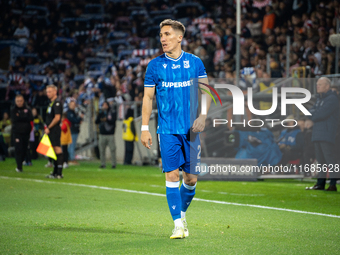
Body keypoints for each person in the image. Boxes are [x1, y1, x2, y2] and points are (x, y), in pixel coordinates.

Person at [141, 19, 211, 239]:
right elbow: (148, 97)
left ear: (180, 37)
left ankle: (181, 214)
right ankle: (178, 225)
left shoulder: (195, 62)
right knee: (172, 174)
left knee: (190, 179)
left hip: (191, 130)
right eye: (161, 34)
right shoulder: (154, 66)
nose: (163, 38)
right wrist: (144, 127)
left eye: (167, 34)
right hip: (167, 129)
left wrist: (204, 115)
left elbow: (206, 91)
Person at [306, 77, 339, 191]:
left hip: (327, 132)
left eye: (320, 84)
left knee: (329, 159)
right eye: (317, 84)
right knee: (320, 160)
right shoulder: (320, 99)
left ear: (327, 86)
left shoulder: (332, 99)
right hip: (318, 132)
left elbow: (320, 114)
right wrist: (314, 114)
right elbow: (309, 112)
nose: (317, 86)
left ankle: (333, 183)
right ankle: (320, 183)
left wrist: (314, 116)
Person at [45, 84, 63, 179]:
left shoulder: (57, 103)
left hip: (54, 129)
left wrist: (49, 127)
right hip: (51, 129)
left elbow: (57, 118)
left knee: (57, 149)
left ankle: (59, 173)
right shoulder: (51, 103)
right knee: (52, 150)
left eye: (50, 91)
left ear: (55, 92)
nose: (48, 93)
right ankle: (55, 172)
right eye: (47, 92)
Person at [10, 94, 33, 172]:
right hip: (17, 133)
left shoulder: (28, 109)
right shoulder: (13, 110)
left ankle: (21, 162)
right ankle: (19, 167)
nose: (19, 103)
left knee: (24, 149)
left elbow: (30, 118)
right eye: (17, 101)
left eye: (20, 101)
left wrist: (20, 116)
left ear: (23, 101)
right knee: (18, 149)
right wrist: (23, 117)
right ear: (15, 102)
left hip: (26, 133)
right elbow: (14, 119)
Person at [95, 101, 117, 168]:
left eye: (105, 105)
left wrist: (106, 119)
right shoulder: (101, 112)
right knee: (102, 150)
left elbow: (113, 121)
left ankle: (113, 164)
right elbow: (96, 121)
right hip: (102, 134)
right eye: (103, 105)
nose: (104, 106)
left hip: (110, 134)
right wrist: (100, 116)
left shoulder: (112, 112)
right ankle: (103, 164)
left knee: (112, 149)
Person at [67, 100, 83, 165]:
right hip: (72, 130)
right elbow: (74, 120)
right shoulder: (69, 113)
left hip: (75, 130)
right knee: (72, 145)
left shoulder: (74, 112)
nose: (73, 106)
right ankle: (71, 159)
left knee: (72, 145)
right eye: (72, 105)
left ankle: (70, 157)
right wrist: (79, 118)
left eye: (74, 105)